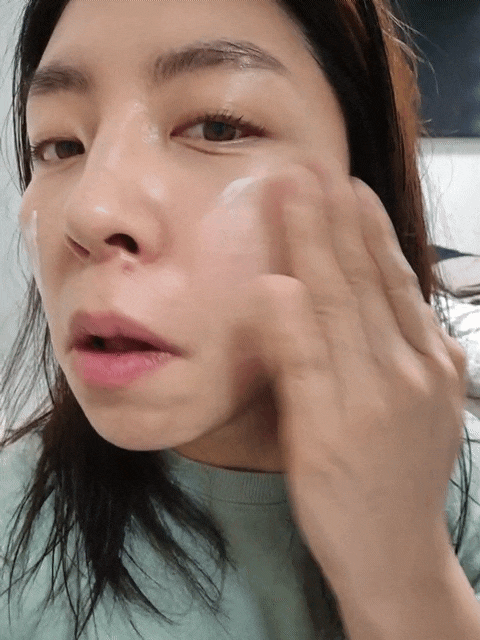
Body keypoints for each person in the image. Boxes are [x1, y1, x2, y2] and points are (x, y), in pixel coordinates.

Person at [1, 1, 480, 638]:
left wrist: (404, 571)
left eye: (218, 127)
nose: (89, 212)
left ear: (364, 170)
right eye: (61, 145)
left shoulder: (466, 493)